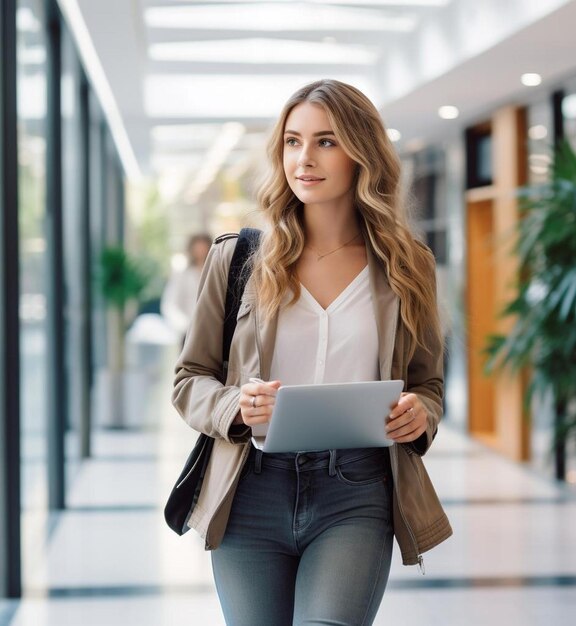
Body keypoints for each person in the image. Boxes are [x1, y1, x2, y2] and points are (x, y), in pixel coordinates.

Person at [172, 79, 451, 626]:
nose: (304, 158)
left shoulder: (407, 265)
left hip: (356, 492)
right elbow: (190, 378)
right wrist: (236, 408)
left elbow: (428, 384)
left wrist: (421, 413)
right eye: (292, 141)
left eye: (326, 141)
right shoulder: (239, 259)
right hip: (249, 490)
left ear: (361, 152)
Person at [161, 233, 212, 340]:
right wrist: (186, 326)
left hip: (212, 330)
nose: (200, 251)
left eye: (203, 247)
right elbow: (170, 304)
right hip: (188, 331)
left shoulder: (215, 273)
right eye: (197, 248)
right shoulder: (182, 275)